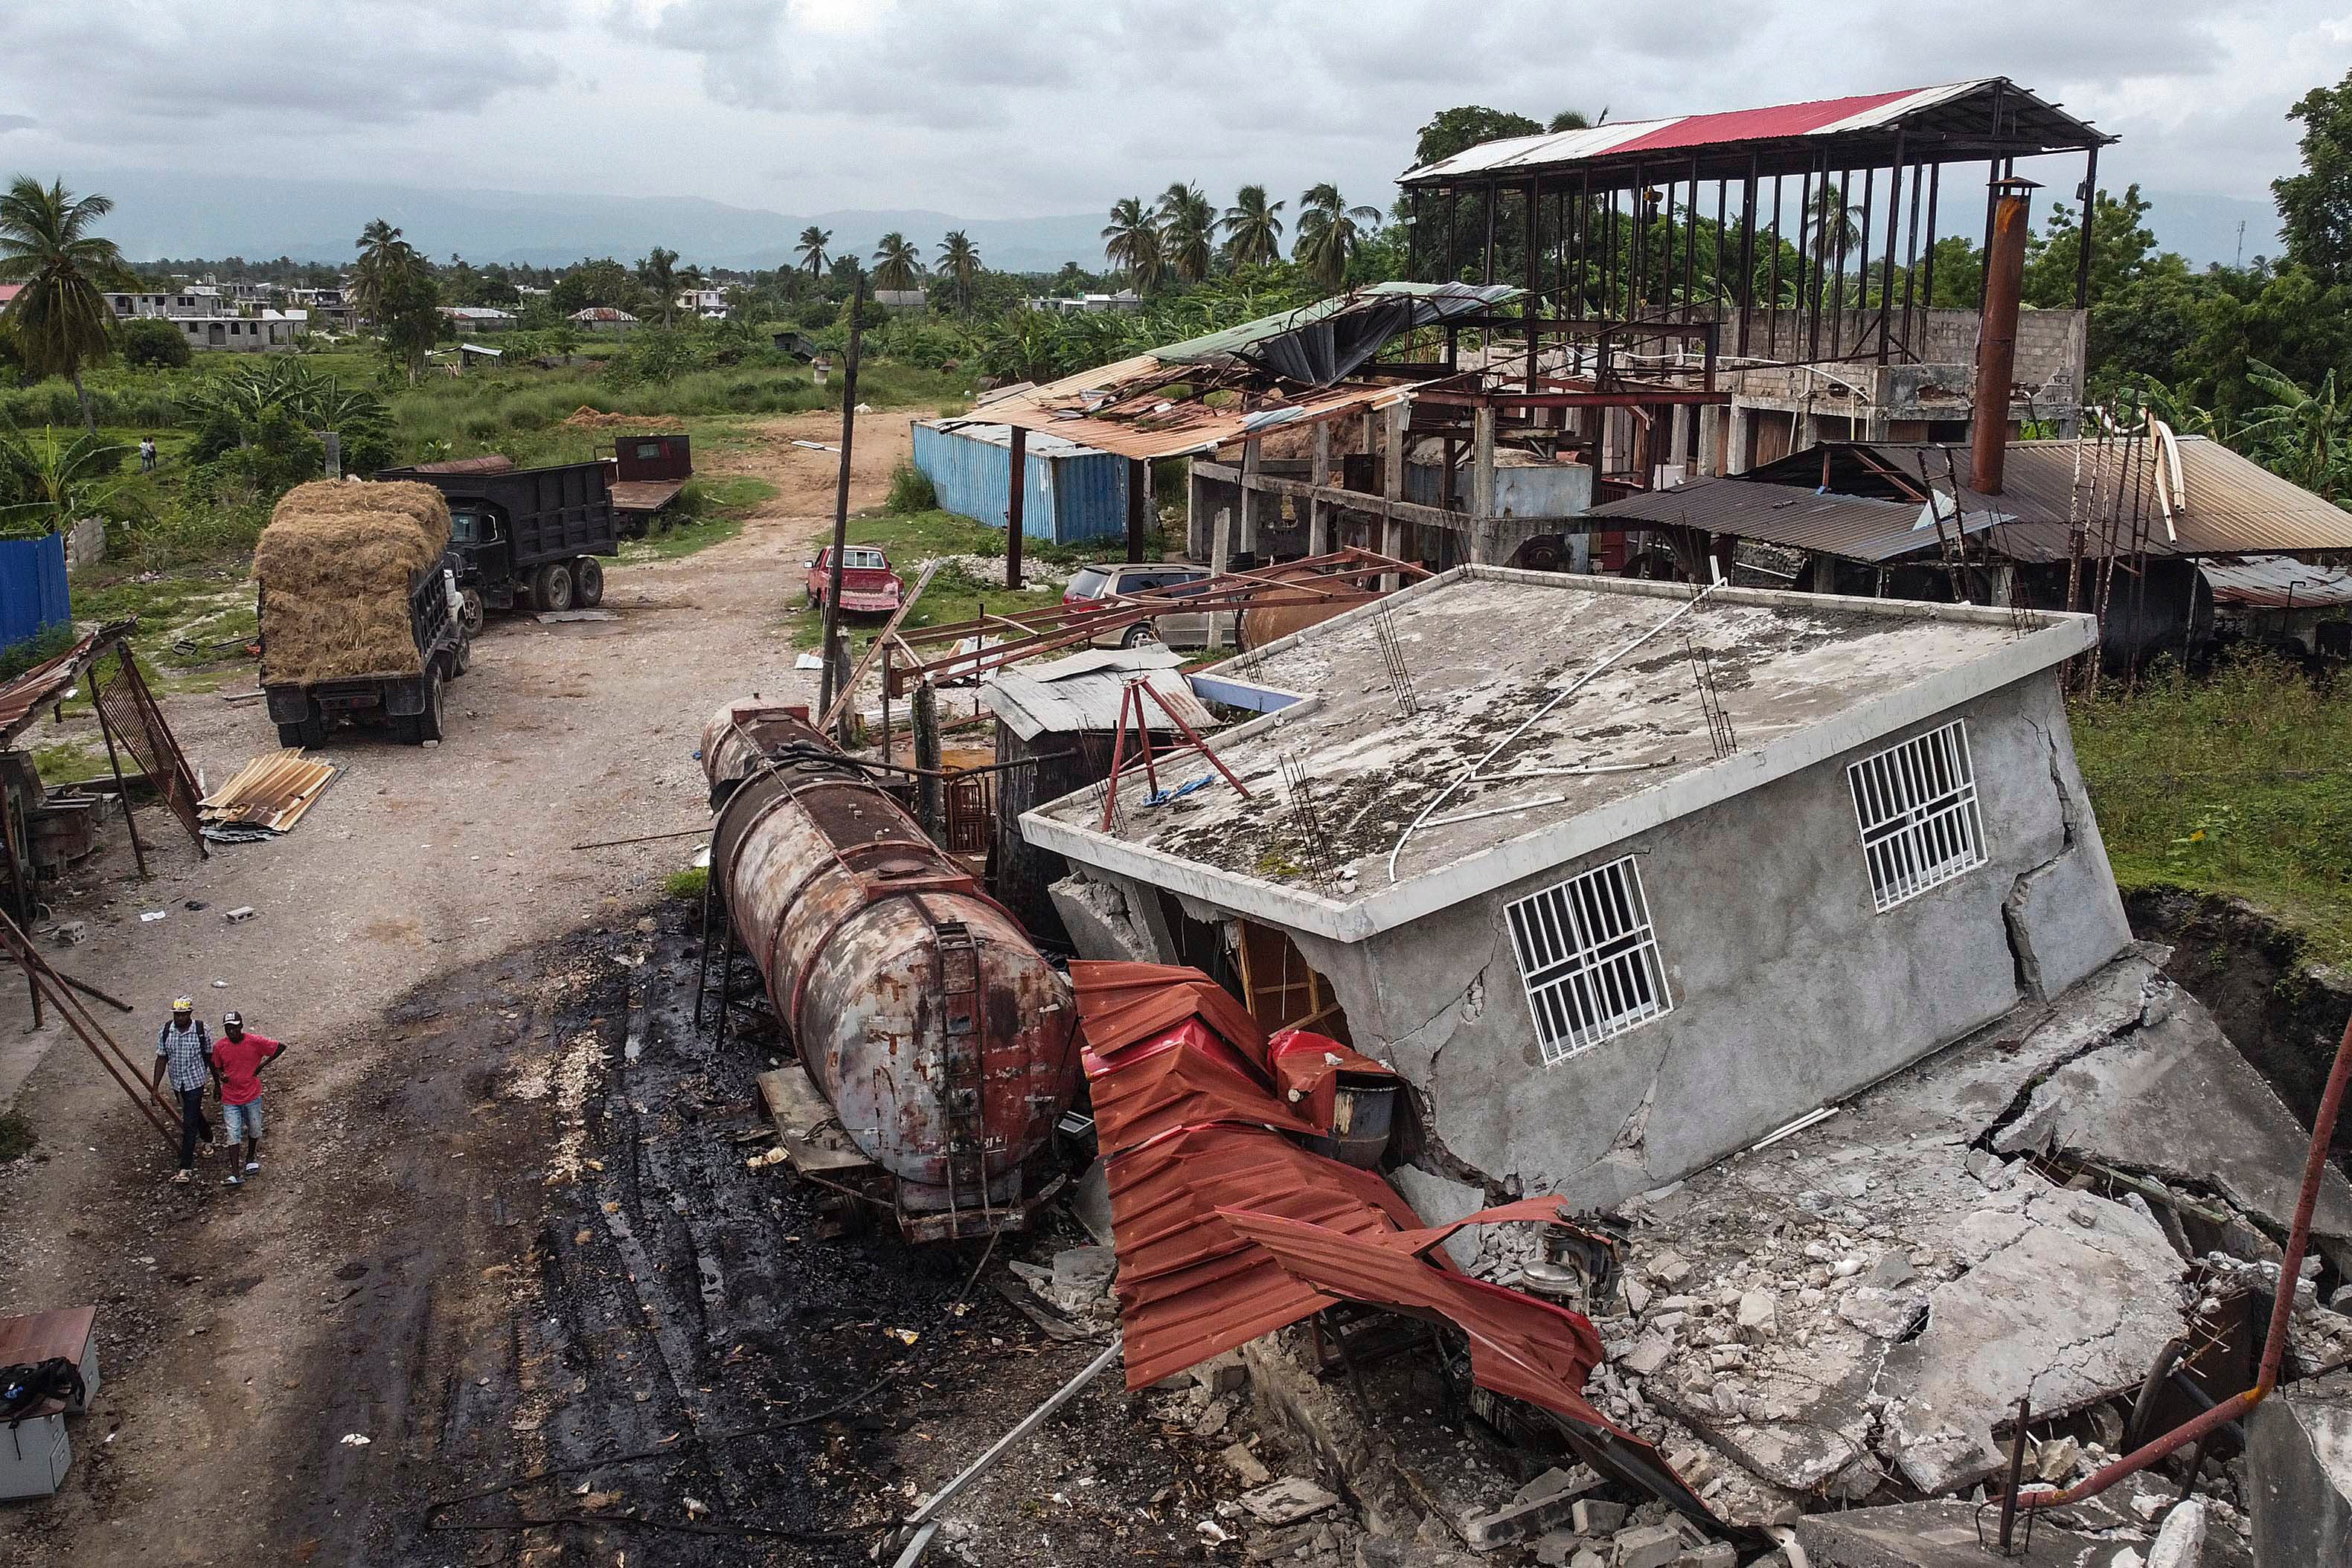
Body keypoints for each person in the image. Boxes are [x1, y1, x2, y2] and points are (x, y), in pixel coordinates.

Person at [209, 1011, 283, 1186]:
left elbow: (280, 1047)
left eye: (234, 1028)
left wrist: (262, 1066)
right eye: (228, 1029)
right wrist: (220, 1079)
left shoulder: (254, 1042)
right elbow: (216, 1065)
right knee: (232, 1133)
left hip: (251, 1094)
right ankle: (235, 1172)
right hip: (231, 1097)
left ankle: (250, 1156)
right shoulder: (220, 1047)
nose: (232, 1032)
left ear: (241, 1027)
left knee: (255, 1128)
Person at [150, 997, 211, 1183]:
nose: (180, 1018)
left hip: (196, 1082)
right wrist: (155, 1087)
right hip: (178, 1083)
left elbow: (209, 1055)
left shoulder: (201, 1031)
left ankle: (185, 1167)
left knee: (189, 1123)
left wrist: (216, 1082)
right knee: (193, 1113)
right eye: (177, 1015)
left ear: (190, 1014)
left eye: (183, 1015)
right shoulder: (167, 1031)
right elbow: (162, 1058)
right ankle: (209, 1137)